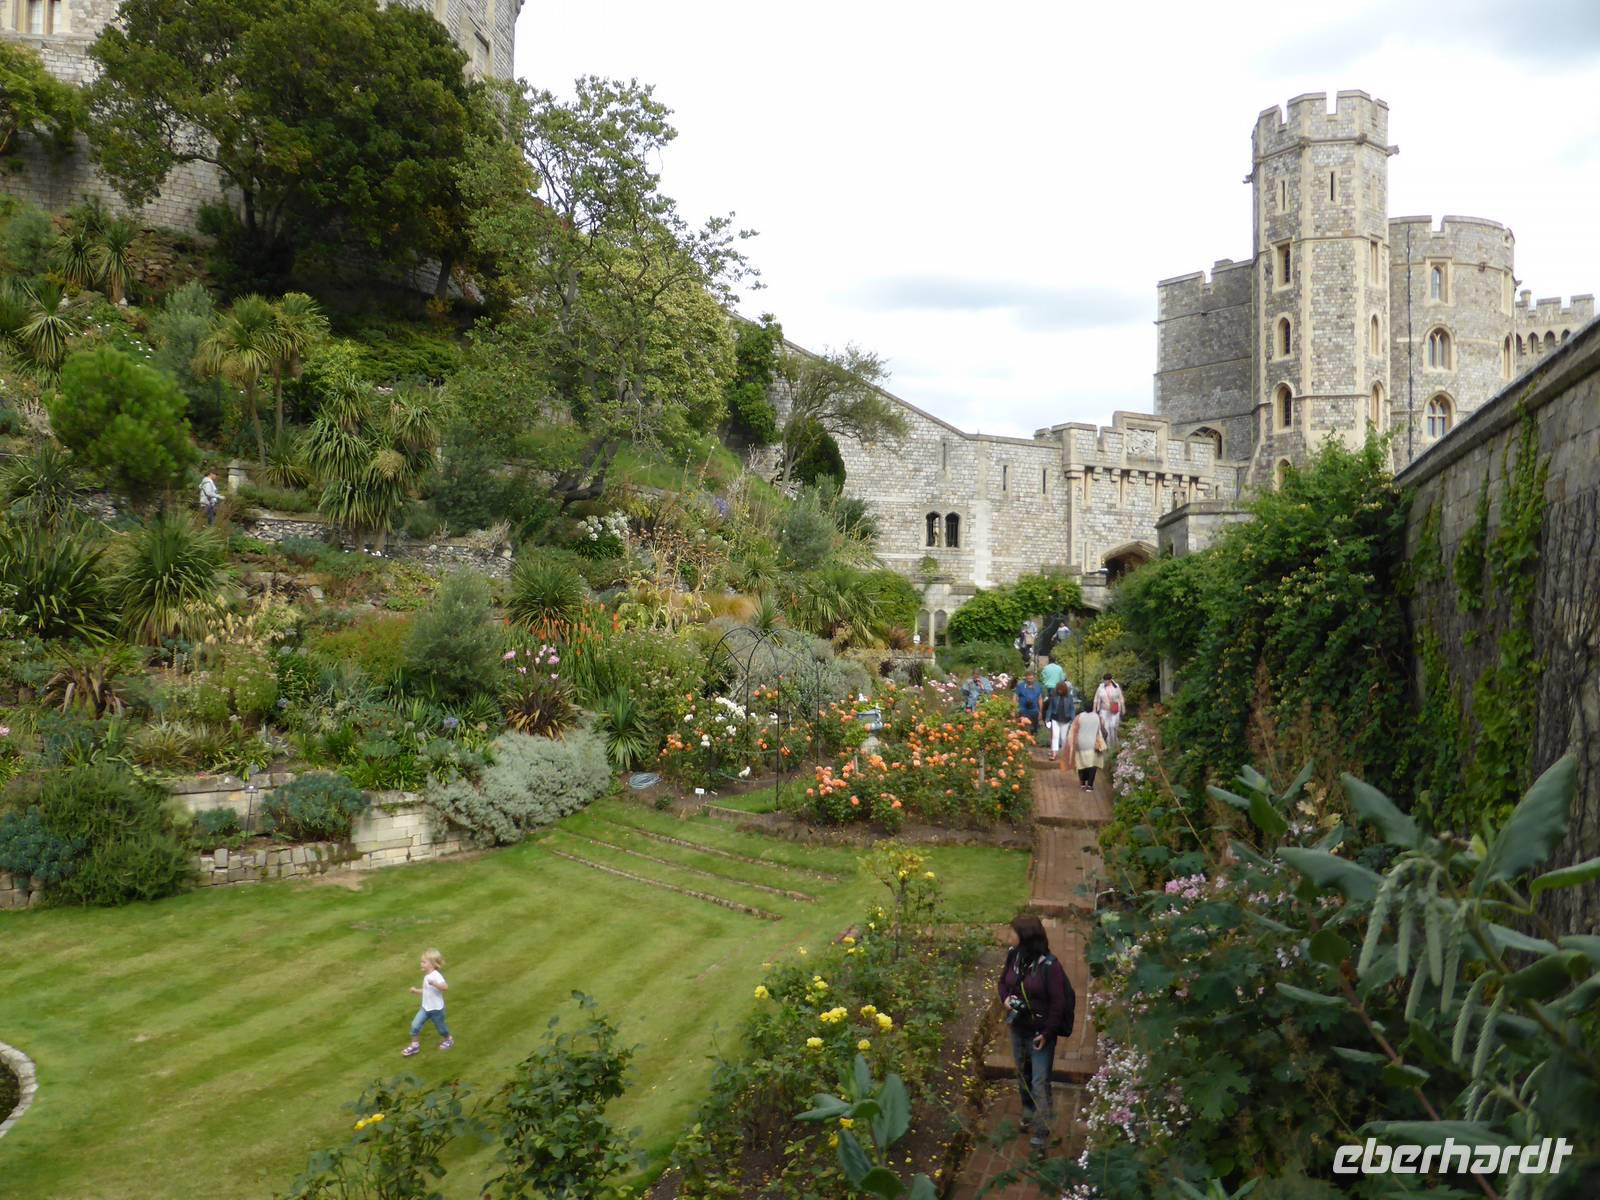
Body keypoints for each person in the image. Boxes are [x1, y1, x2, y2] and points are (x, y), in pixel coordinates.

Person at [997, 915, 1075, 1149]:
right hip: (1018, 1026)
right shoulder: (1014, 955)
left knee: (1040, 1080)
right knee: (1023, 1072)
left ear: (1026, 937)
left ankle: (1041, 1130)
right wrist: (1006, 1000)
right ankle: (1028, 1111)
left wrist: (1048, 1033)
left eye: (1014, 932)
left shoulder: (1050, 966)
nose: (1009, 935)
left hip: (1041, 1032)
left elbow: (1058, 1003)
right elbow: (1003, 983)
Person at [402, 948, 453, 1055]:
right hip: (425, 1008)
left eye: (424, 962)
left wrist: (434, 983)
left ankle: (448, 1039)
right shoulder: (427, 977)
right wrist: (416, 991)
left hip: (437, 1010)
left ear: (432, 964)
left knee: (441, 1028)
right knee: (415, 1026)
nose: (421, 964)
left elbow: (445, 987)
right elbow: (427, 991)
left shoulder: (436, 976)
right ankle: (414, 1046)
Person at [1066, 706, 1107, 791]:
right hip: (1093, 744)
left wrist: (1071, 742)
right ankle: (1090, 785)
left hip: (1081, 744)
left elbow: (1073, 730)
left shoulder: (1079, 717)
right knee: (1092, 765)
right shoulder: (1097, 717)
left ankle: (1082, 782)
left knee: (1081, 763)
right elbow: (1102, 730)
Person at [1043, 680, 1074, 761]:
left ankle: (1064, 754)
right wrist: (1047, 718)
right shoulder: (1054, 696)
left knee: (1063, 738)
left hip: (1066, 719)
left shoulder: (1069, 697)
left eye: (1061, 689)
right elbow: (1050, 708)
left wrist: (1073, 719)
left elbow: (1072, 709)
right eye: (1058, 689)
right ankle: (1054, 753)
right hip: (1055, 718)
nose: (1059, 691)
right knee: (1055, 736)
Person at [1094, 673, 1125, 750]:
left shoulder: (1116, 686)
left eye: (1106, 681)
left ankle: (1114, 742)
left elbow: (1120, 697)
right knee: (1106, 727)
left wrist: (1123, 707)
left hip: (1114, 709)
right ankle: (1109, 746)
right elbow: (1096, 699)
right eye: (1104, 680)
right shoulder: (1101, 687)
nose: (1105, 682)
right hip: (1104, 710)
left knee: (1113, 726)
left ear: (1110, 680)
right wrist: (1094, 709)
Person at [1013, 671, 1041, 737]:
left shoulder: (1037, 687)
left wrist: (1040, 711)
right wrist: (1014, 708)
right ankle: (1023, 740)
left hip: (1034, 710)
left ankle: (1033, 740)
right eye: (1028, 679)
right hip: (1023, 710)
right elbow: (1015, 697)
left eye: (1031, 678)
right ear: (1026, 678)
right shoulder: (1020, 686)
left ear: (1034, 678)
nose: (1030, 680)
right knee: (1023, 728)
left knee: (1034, 728)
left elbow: (1040, 699)